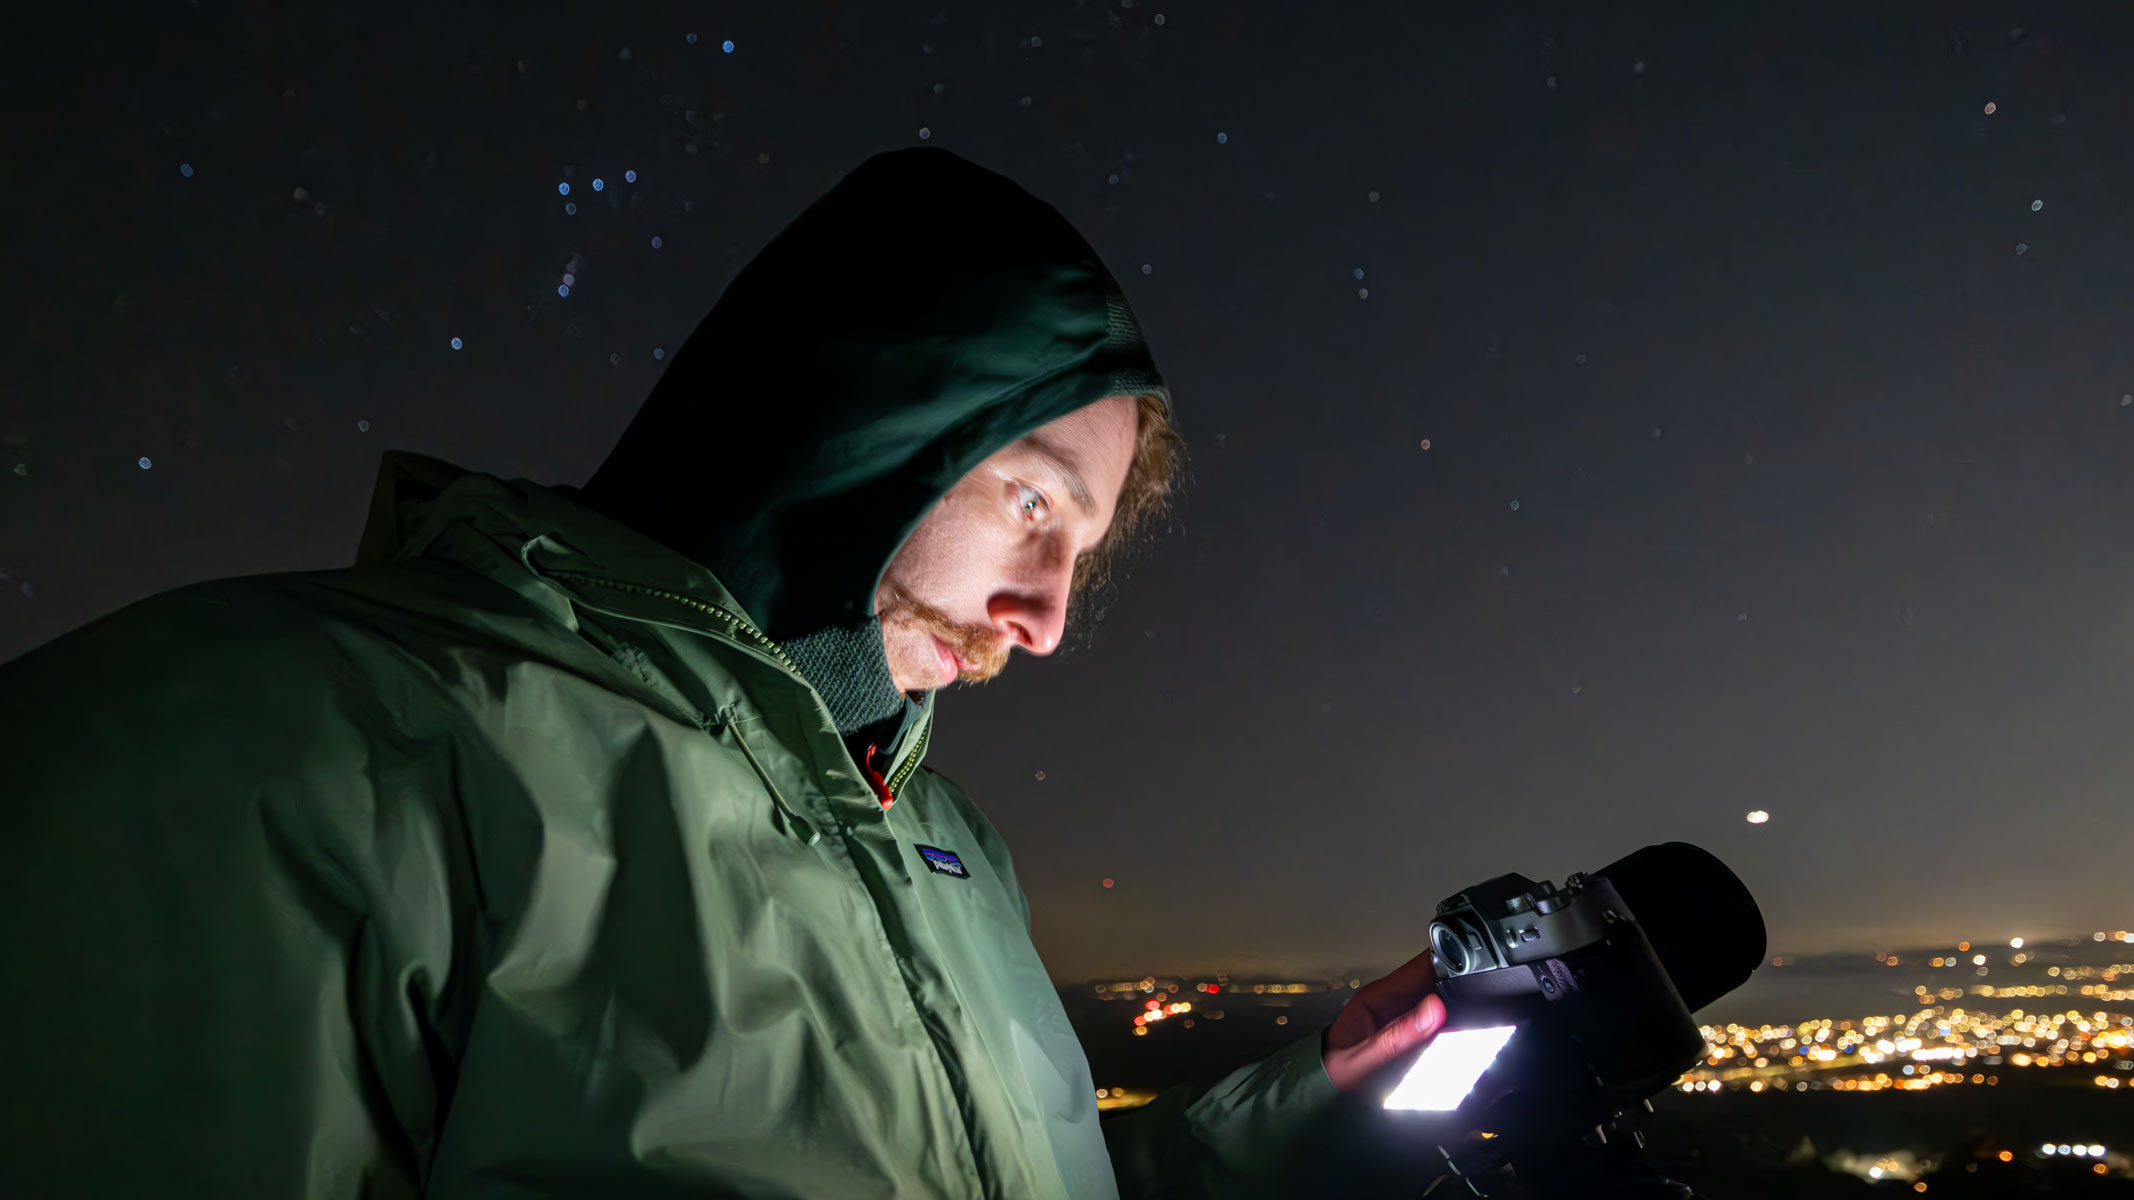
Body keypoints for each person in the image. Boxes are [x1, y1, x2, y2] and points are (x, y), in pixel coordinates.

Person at [0, 147, 1446, 1199]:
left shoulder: (942, 845)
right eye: (1029, 503)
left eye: (1083, 550)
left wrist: (1308, 1085)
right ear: (867, 422)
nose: (1048, 618)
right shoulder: (269, 736)